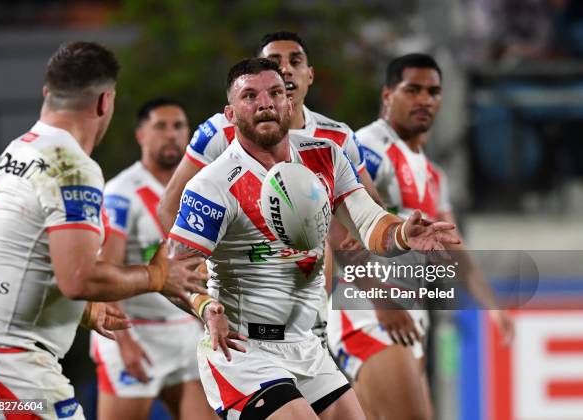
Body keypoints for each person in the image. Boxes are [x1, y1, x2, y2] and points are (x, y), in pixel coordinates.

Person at [167, 58, 460, 419]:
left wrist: (402, 233)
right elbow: (174, 271)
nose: (265, 103)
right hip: (244, 352)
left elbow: (369, 224)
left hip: (305, 344)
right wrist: (204, 307)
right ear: (230, 114)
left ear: (289, 103)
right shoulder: (213, 185)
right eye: (250, 96)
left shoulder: (324, 155)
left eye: (275, 92)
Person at [0, 42, 207, 419]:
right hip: (11, 373)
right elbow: (78, 278)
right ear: (104, 102)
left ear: (48, 93)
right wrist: (156, 275)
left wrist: (86, 312)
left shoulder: (15, 153)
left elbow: (12, 259)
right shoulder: (72, 167)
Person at [327, 53, 514, 420]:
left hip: (410, 320)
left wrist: (494, 306)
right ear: (387, 95)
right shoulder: (366, 148)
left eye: (433, 92)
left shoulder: (433, 174)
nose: (425, 99)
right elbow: (336, 230)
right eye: (412, 89)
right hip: (370, 315)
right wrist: (383, 301)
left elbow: (456, 250)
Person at [157, 31, 381, 232]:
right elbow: (169, 207)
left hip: (321, 271)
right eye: (274, 63)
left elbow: (373, 208)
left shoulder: (338, 137)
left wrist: (369, 234)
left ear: (310, 74)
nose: (286, 69)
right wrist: (195, 268)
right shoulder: (220, 130)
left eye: (296, 61)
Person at [91, 97, 215, 420]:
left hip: (185, 330)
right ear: (141, 136)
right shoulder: (122, 192)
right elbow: (106, 272)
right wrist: (124, 343)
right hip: (135, 331)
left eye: (179, 126)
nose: (172, 134)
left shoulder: (199, 188)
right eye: (161, 126)